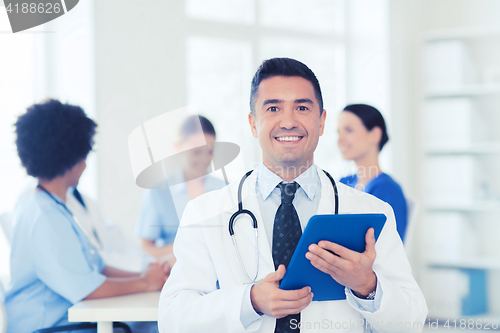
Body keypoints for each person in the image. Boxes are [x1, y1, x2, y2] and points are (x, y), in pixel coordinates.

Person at [158, 58, 427, 332]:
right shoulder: (205, 212)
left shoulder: (371, 210)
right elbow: (172, 318)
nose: (288, 122)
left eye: (302, 107)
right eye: (273, 108)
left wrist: (367, 285)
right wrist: (249, 301)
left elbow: (411, 322)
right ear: (253, 124)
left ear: (321, 122)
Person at [4, 99, 167, 333]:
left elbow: (97, 269)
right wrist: (146, 282)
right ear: (72, 159)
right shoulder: (42, 216)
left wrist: (148, 275)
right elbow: (86, 287)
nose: (85, 164)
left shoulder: (55, 207)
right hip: (49, 328)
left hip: (71, 321)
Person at [135, 115, 226, 263]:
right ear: (178, 148)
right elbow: (145, 247)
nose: (204, 159)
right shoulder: (158, 193)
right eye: (196, 152)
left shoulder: (226, 190)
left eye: (210, 152)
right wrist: (184, 249)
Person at [337, 104, 408, 241]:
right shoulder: (344, 182)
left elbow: (390, 246)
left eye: (349, 130)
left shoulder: (387, 189)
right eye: (338, 132)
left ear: (375, 135)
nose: (340, 140)